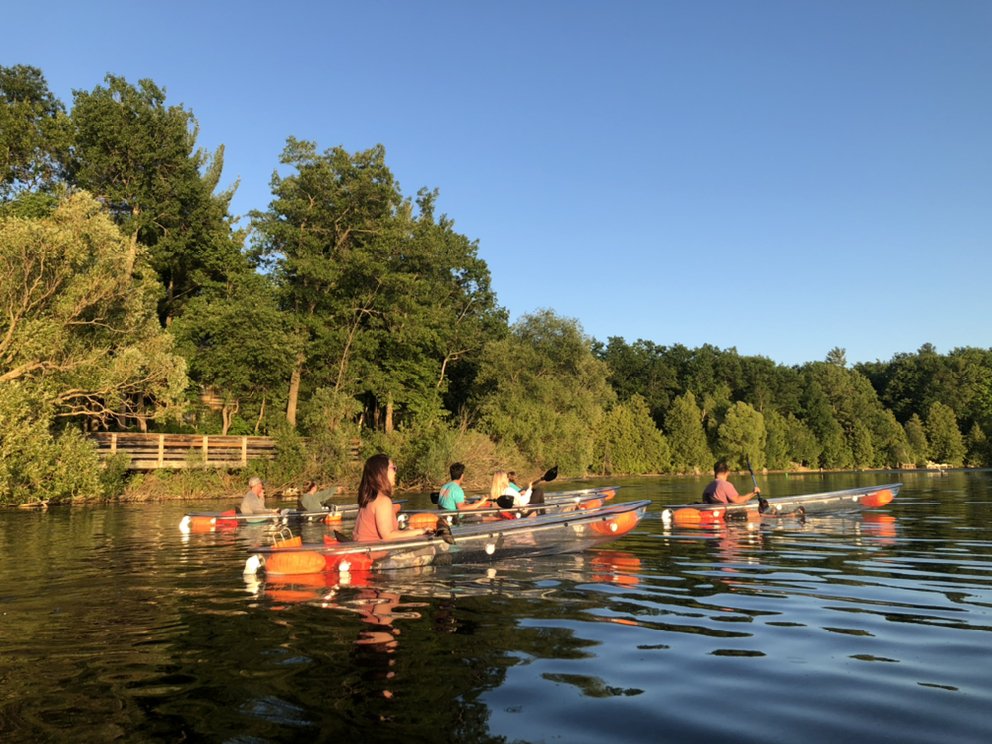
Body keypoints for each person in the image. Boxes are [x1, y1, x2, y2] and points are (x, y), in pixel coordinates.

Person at [353, 454, 431, 542]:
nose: (395, 472)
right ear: (381, 472)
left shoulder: (368, 499)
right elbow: (388, 536)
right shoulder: (383, 501)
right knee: (432, 548)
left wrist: (408, 532)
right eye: (393, 468)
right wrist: (421, 530)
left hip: (366, 551)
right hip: (377, 553)